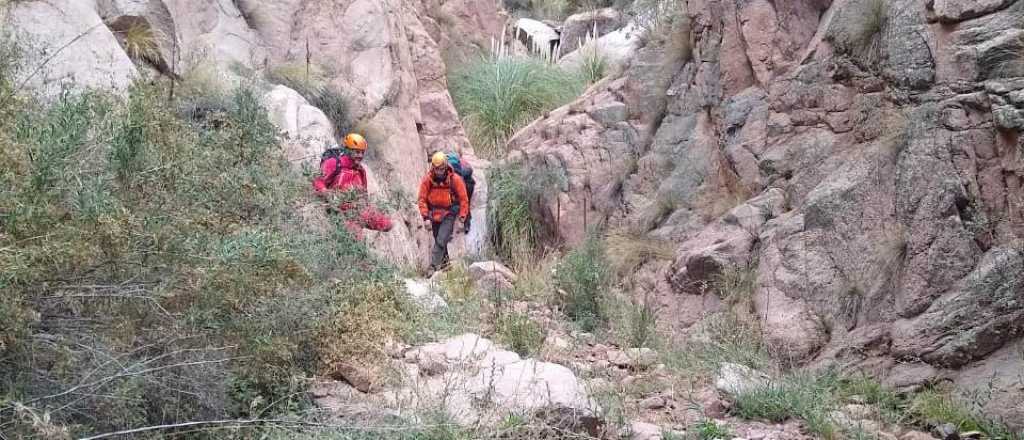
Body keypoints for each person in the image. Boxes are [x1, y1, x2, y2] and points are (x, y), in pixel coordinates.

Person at [313, 133, 393, 238]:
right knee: (355, 237)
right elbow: (318, 181)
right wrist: (327, 194)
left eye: (362, 152)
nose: (360, 155)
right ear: (348, 150)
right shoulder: (334, 163)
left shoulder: (360, 171)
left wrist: (368, 209)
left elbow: (364, 195)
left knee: (387, 224)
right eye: (356, 152)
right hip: (341, 213)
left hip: (358, 210)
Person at [418, 151, 470, 273]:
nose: (439, 172)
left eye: (441, 169)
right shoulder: (428, 180)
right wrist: (425, 216)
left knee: (441, 239)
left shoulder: (455, 180)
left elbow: (463, 199)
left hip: (449, 213)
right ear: (433, 167)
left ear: (446, 166)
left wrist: (462, 217)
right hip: (433, 213)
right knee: (439, 240)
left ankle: (432, 267)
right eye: (436, 169)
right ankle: (446, 267)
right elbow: (422, 199)